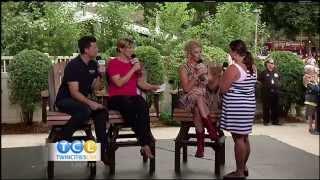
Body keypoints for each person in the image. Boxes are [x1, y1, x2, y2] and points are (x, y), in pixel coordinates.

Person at [54, 36, 109, 165]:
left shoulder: (93, 64)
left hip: (82, 101)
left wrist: (101, 76)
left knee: (101, 112)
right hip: (66, 100)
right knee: (85, 110)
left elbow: (95, 88)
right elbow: (74, 93)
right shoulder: (73, 65)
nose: (97, 49)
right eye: (94, 47)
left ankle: (102, 151)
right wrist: (91, 103)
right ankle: (63, 137)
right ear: (86, 50)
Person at [106, 38, 160, 159]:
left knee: (142, 104)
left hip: (132, 96)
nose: (132, 50)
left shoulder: (134, 63)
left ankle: (144, 143)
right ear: (120, 49)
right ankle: (145, 143)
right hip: (116, 98)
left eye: (132, 47)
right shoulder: (113, 63)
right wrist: (133, 69)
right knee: (128, 106)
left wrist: (152, 87)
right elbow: (119, 83)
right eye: (129, 47)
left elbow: (140, 83)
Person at [219, 40, 257, 178]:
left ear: (235, 52)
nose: (229, 53)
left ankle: (239, 172)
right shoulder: (252, 66)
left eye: (230, 50)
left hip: (236, 106)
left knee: (239, 139)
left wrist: (220, 76)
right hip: (248, 105)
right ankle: (243, 166)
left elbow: (223, 88)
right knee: (244, 137)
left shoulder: (234, 68)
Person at [177, 40, 220, 158]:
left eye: (200, 52)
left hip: (204, 99)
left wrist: (214, 76)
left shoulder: (204, 66)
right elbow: (186, 89)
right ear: (189, 53)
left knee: (197, 108)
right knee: (197, 95)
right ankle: (211, 129)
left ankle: (200, 147)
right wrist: (196, 75)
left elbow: (212, 87)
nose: (199, 54)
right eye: (196, 52)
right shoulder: (183, 68)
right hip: (188, 99)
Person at [258, 58, 281, 125]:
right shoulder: (264, 72)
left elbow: (280, 79)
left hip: (275, 92)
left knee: (275, 107)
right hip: (266, 92)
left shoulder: (277, 72)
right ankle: (266, 121)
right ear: (267, 64)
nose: (272, 64)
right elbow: (259, 81)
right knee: (266, 107)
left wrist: (279, 84)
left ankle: (275, 121)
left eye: (273, 63)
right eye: (270, 63)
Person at [303, 65, 319, 135]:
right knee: (310, 114)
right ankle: (310, 128)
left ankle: (315, 127)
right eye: (312, 69)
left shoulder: (314, 76)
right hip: (310, 98)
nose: (313, 71)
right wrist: (314, 80)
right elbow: (309, 85)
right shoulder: (306, 77)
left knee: (315, 113)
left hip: (315, 97)